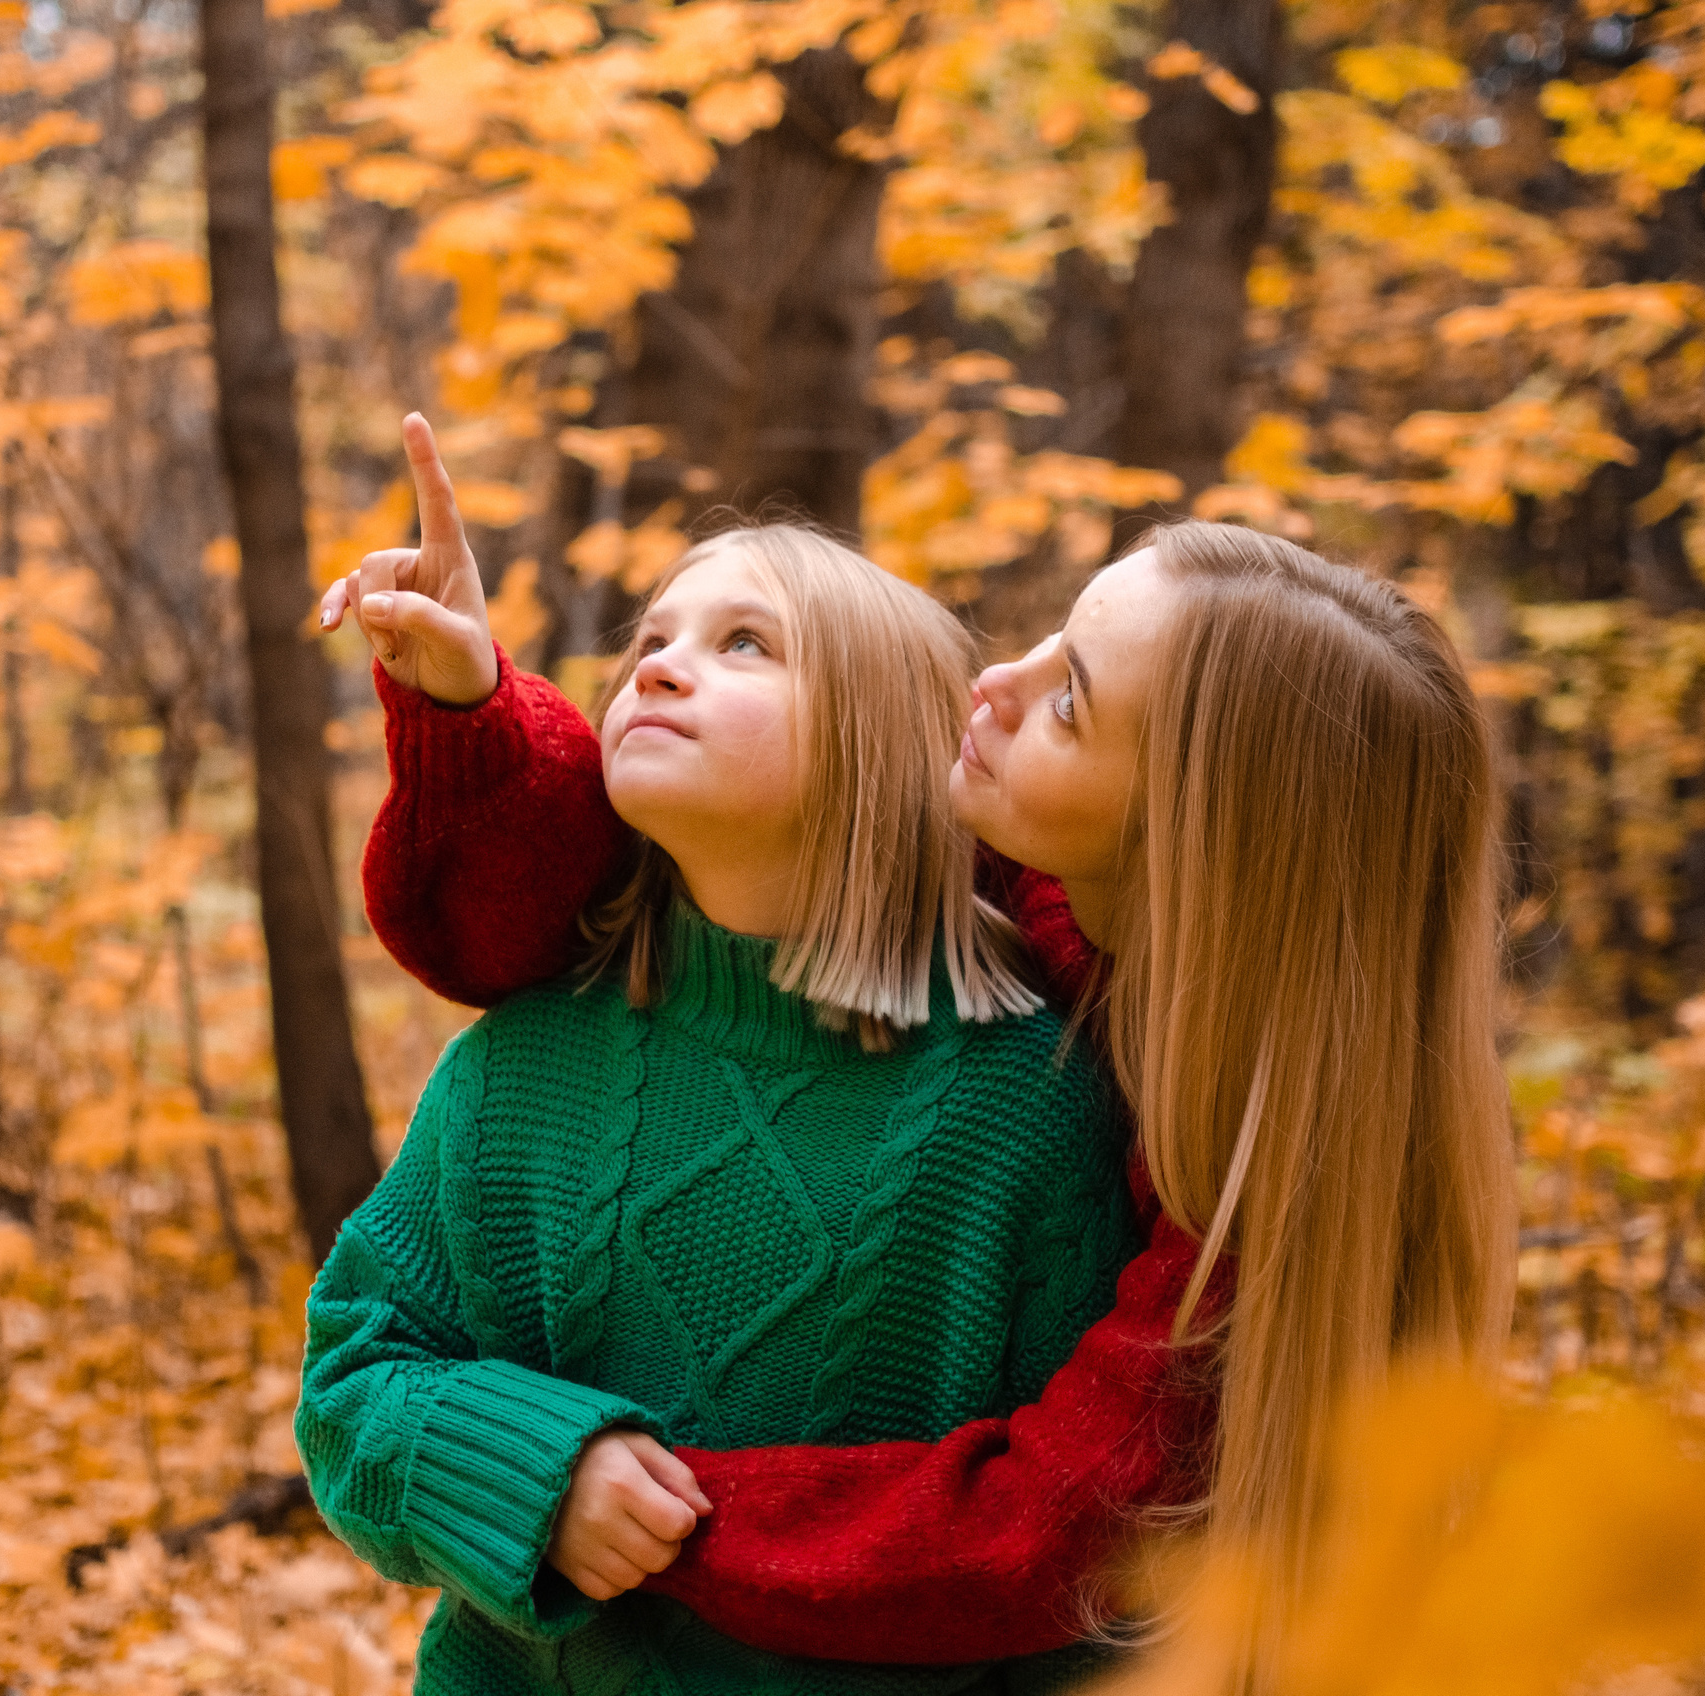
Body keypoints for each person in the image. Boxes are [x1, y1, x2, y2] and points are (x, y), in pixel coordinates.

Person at [326, 414, 1519, 1685]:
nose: (989, 687)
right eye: (650, 640)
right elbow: (364, 1351)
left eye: (1068, 700)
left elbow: (1052, 1564)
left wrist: (655, 1521)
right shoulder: (523, 1066)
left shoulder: (1065, 1115)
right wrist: (471, 708)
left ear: (1178, 840)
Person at [294, 474, 1134, 1695]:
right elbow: (354, 1377)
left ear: (888, 742)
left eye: (746, 643)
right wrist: (535, 1473)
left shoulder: (1024, 1113)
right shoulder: (520, 1071)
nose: (661, 668)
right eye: (651, 641)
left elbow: (1084, 1561)